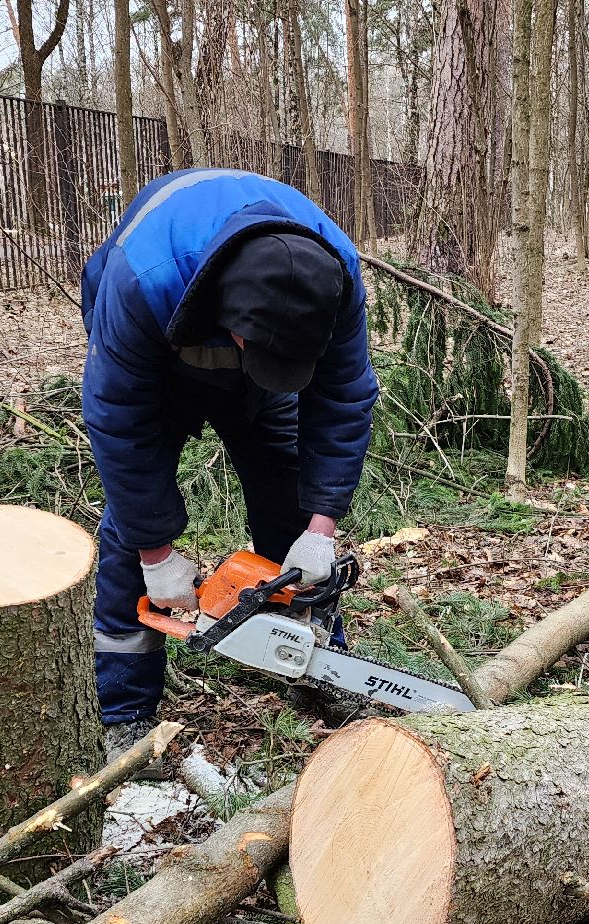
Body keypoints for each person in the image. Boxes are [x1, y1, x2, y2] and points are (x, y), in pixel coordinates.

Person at [79, 168, 378, 756]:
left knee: (290, 506)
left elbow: (344, 398)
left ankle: (321, 662)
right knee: (130, 528)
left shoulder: (336, 280)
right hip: (158, 374)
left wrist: (320, 528)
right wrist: (157, 553)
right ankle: (122, 713)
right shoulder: (146, 279)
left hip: (260, 389)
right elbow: (119, 420)